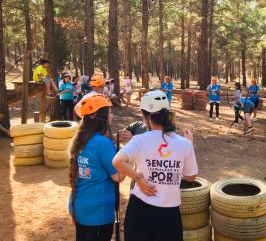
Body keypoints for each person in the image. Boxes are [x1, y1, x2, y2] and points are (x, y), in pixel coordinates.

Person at [112, 90, 198, 241]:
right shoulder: (184, 143)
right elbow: (190, 177)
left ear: (146, 118)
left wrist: (138, 178)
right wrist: (190, 143)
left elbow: (117, 161)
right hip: (169, 215)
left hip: (139, 210)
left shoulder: (139, 140)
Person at [69, 94, 126, 241]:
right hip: (99, 212)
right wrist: (127, 155)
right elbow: (118, 176)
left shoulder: (80, 137)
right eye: (109, 112)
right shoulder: (102, 143)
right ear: (97, 116)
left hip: (80, 207)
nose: (112, 116)